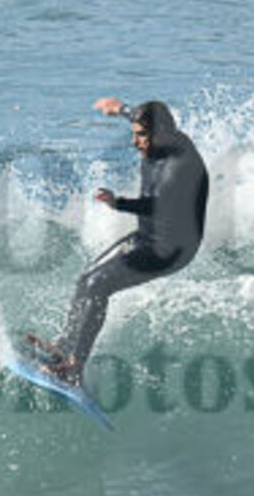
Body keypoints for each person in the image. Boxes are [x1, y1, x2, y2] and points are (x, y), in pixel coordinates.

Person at [27, 97, 208, 383]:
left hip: (171, 250)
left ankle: (74, 367)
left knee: (97, 285)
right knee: (86, 279)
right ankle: (63, 347)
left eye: (141, 135)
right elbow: (141, 118)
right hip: (149, 236)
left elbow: (157, 206)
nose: (135, 142)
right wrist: (121, 109)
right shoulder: (157, 134)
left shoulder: (180, 166)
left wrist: (118, 202)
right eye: (135, 133)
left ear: (161, 133)